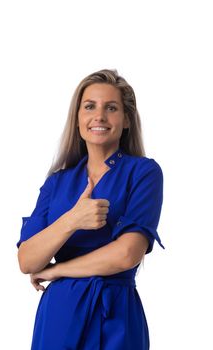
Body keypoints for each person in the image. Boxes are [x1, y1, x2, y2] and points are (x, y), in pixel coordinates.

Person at [16, 68, 165, 350]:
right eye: (89, 107)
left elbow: (126, 254)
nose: (99, 116)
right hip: (59, 316)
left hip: (116, 315)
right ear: (78, 119)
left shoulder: (144, 173)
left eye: (111, 108)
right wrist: (72, 219)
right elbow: (27, 260)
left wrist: (58, 270)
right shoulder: (56, 182)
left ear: (126, 121)